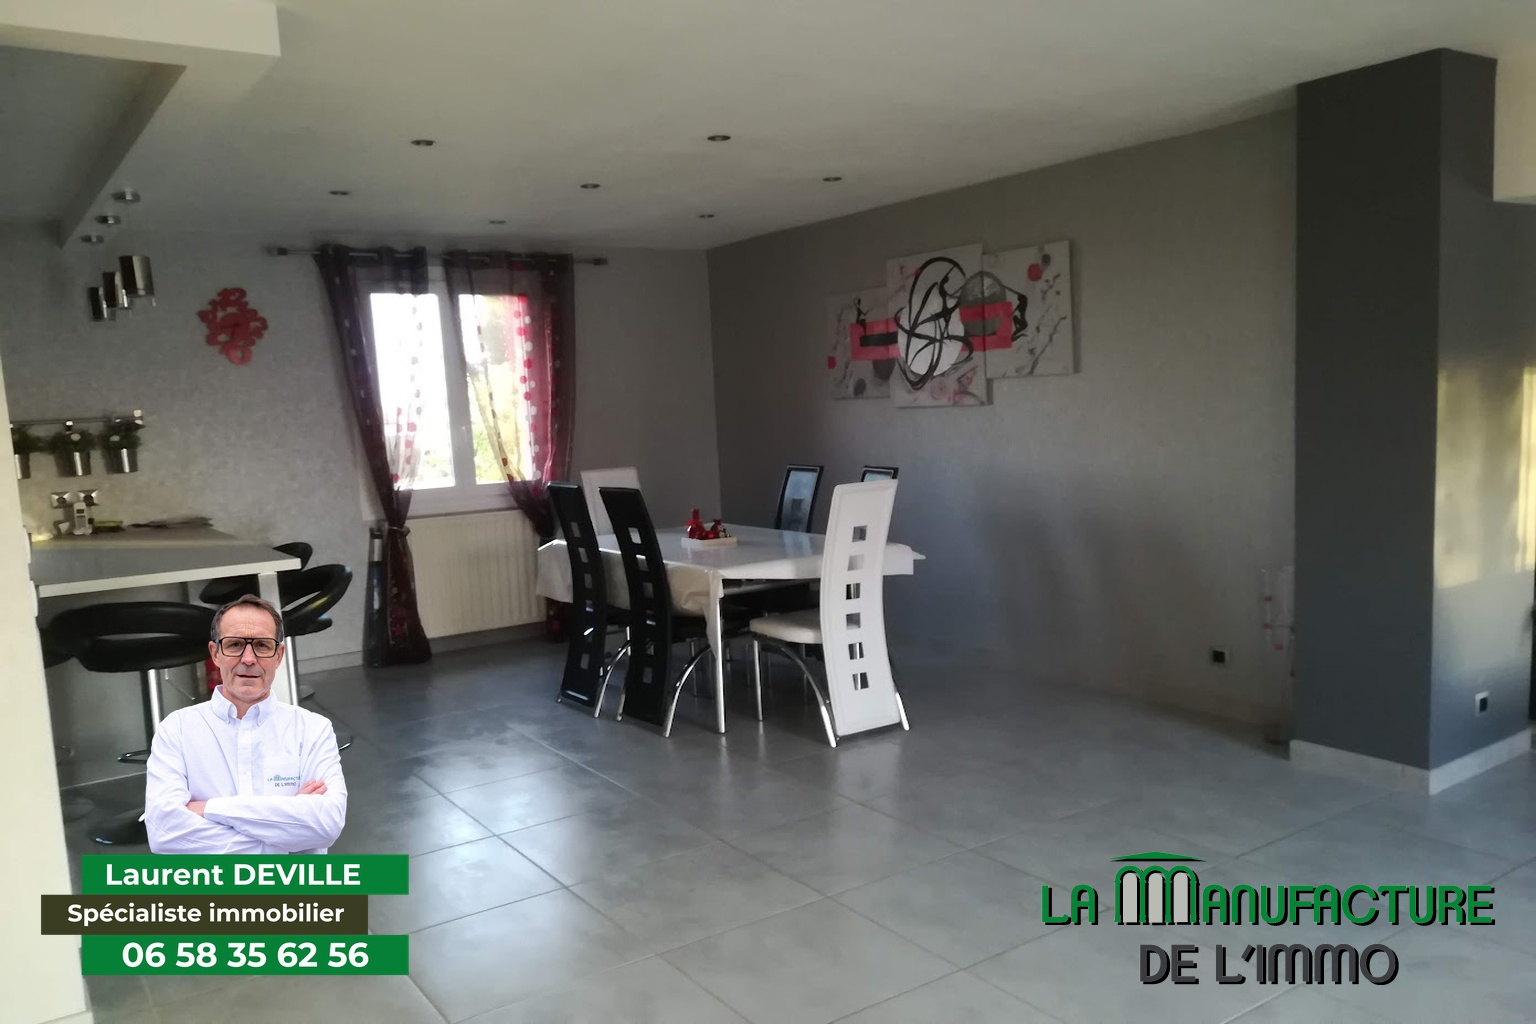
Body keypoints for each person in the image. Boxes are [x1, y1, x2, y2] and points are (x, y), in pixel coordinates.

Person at [144, 594, 347, 854]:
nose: (248, 659)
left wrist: (208, 809)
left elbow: (326, 826)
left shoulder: (314, 730)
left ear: (278, 655)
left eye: (262, 645)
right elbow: (164, 834)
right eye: (235, 644)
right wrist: (285, 832)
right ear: (215, 653)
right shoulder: (176, 730)